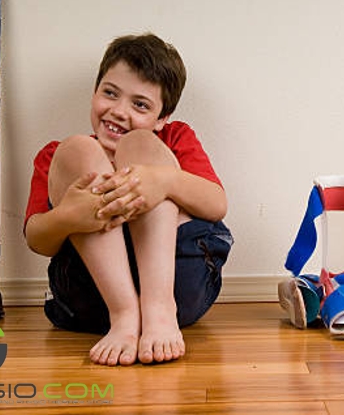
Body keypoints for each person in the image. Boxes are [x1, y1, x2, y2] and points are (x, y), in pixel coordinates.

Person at [24, 33, 233, 367]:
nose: (119, 111)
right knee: (77, 149)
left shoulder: (173, 137)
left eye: (140, 104)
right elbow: (37, 239)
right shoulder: (56, 158)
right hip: (90, 297)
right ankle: (124, 314)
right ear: (94, 93)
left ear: (162, 118)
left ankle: (157, 309)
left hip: (178, 284)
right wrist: (69, 216)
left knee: (141, 146)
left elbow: (216, 204)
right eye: (110, 93)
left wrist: (163, 180)